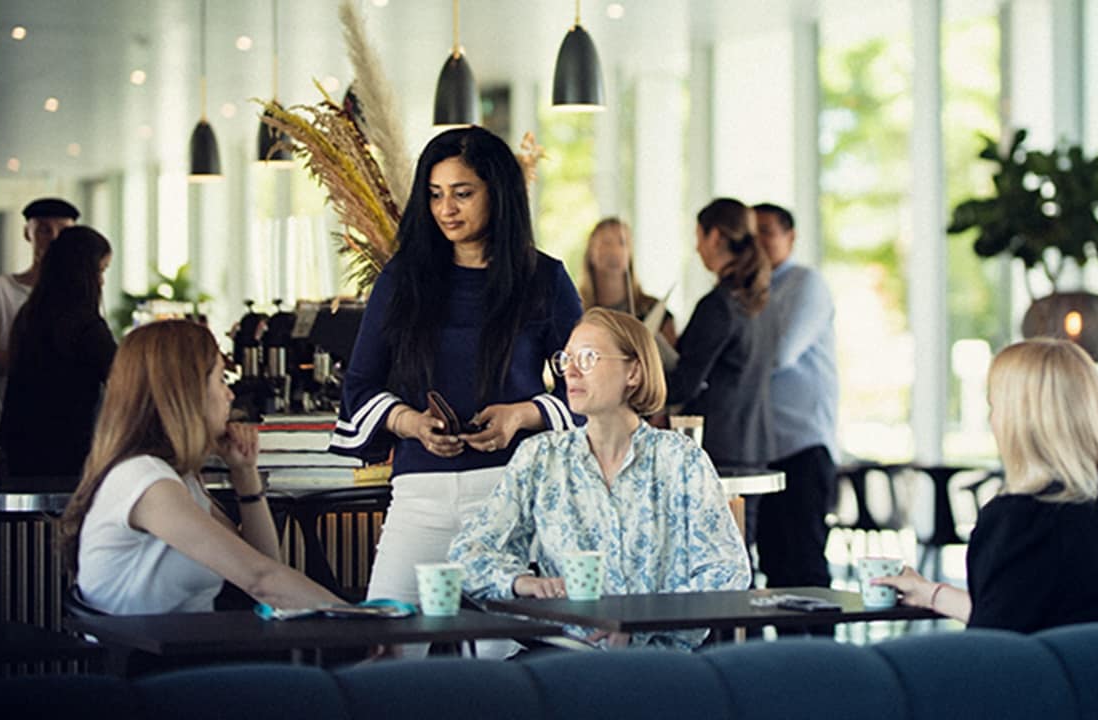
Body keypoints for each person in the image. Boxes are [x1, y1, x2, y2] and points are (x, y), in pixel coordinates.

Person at [328, 126, 582, 628]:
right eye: (436, 194)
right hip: (419, 496)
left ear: (499, 194)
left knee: (506, 659)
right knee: (389, 646)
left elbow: (592, 391)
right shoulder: (401, 280)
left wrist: (523, 414)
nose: (446, 209)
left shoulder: (545, 279)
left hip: (510, 496)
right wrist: (410, 423)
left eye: (463, 193)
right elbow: (358, 388)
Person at [449, 308, 750, 650]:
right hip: (564, 657)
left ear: (633, 372)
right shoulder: (541, 457)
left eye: (589, 357)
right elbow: (467, 554)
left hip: (661, 664)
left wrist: (638, 624)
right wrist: (519, 581)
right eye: (566, 359)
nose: (571, 372)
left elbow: (727, 571)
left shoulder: (680, 459)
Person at [873, 338, 1098, 633]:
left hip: (1048, 679)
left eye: (994, 406)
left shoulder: (1019, 520)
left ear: (1019, 421)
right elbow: (1037, 617)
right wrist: (931, 594)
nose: (991, 419)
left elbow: (997, 645)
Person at [57, 320, 341, 614]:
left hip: (184, 648)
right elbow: (261, 580)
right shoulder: (147, 481)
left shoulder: (175, 475)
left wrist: (245, 474)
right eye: (220, 380)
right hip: (154, 656)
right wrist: (362, 621)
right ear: (187, 391)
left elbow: (263, 564)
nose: (230, 394)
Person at [749, 203, 840, 591]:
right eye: (750, 234)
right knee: (774, 566)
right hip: (763, 452)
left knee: (805, 568)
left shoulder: (806, 283)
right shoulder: (751, 290)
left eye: (767, 231)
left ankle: (823, 654)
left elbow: (781, 353)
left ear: (791, 236)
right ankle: (784, 653)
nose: (757, 242)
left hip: (803, 447)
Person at [667, 198, 774, 518]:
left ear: (714, 236)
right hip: (753, 443)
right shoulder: (761, 303)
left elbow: (685, 384)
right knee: (743, 549)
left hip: (717, 449)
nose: (697, 248)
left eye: (698, 237)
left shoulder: (718, 305)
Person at [0, 226, 117, 478]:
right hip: (68, 453)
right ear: (84, 273)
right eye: (100, 270)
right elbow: (123, 380)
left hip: (20, 449)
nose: (102, 281)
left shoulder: (30, 315)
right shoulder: (86, 326)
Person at [0, 197, 80, 438]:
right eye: (43, 230)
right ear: (27, 233)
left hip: (63, 428)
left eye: (63, 231)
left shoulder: (79, 296)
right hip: (6, 427)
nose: (53, 238)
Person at [578, 217, 678, 346]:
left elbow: (674, 362)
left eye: (622, 242)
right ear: (591, 253)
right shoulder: (575, 311)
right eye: (606, 242)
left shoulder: (655, 312)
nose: (615, 250)